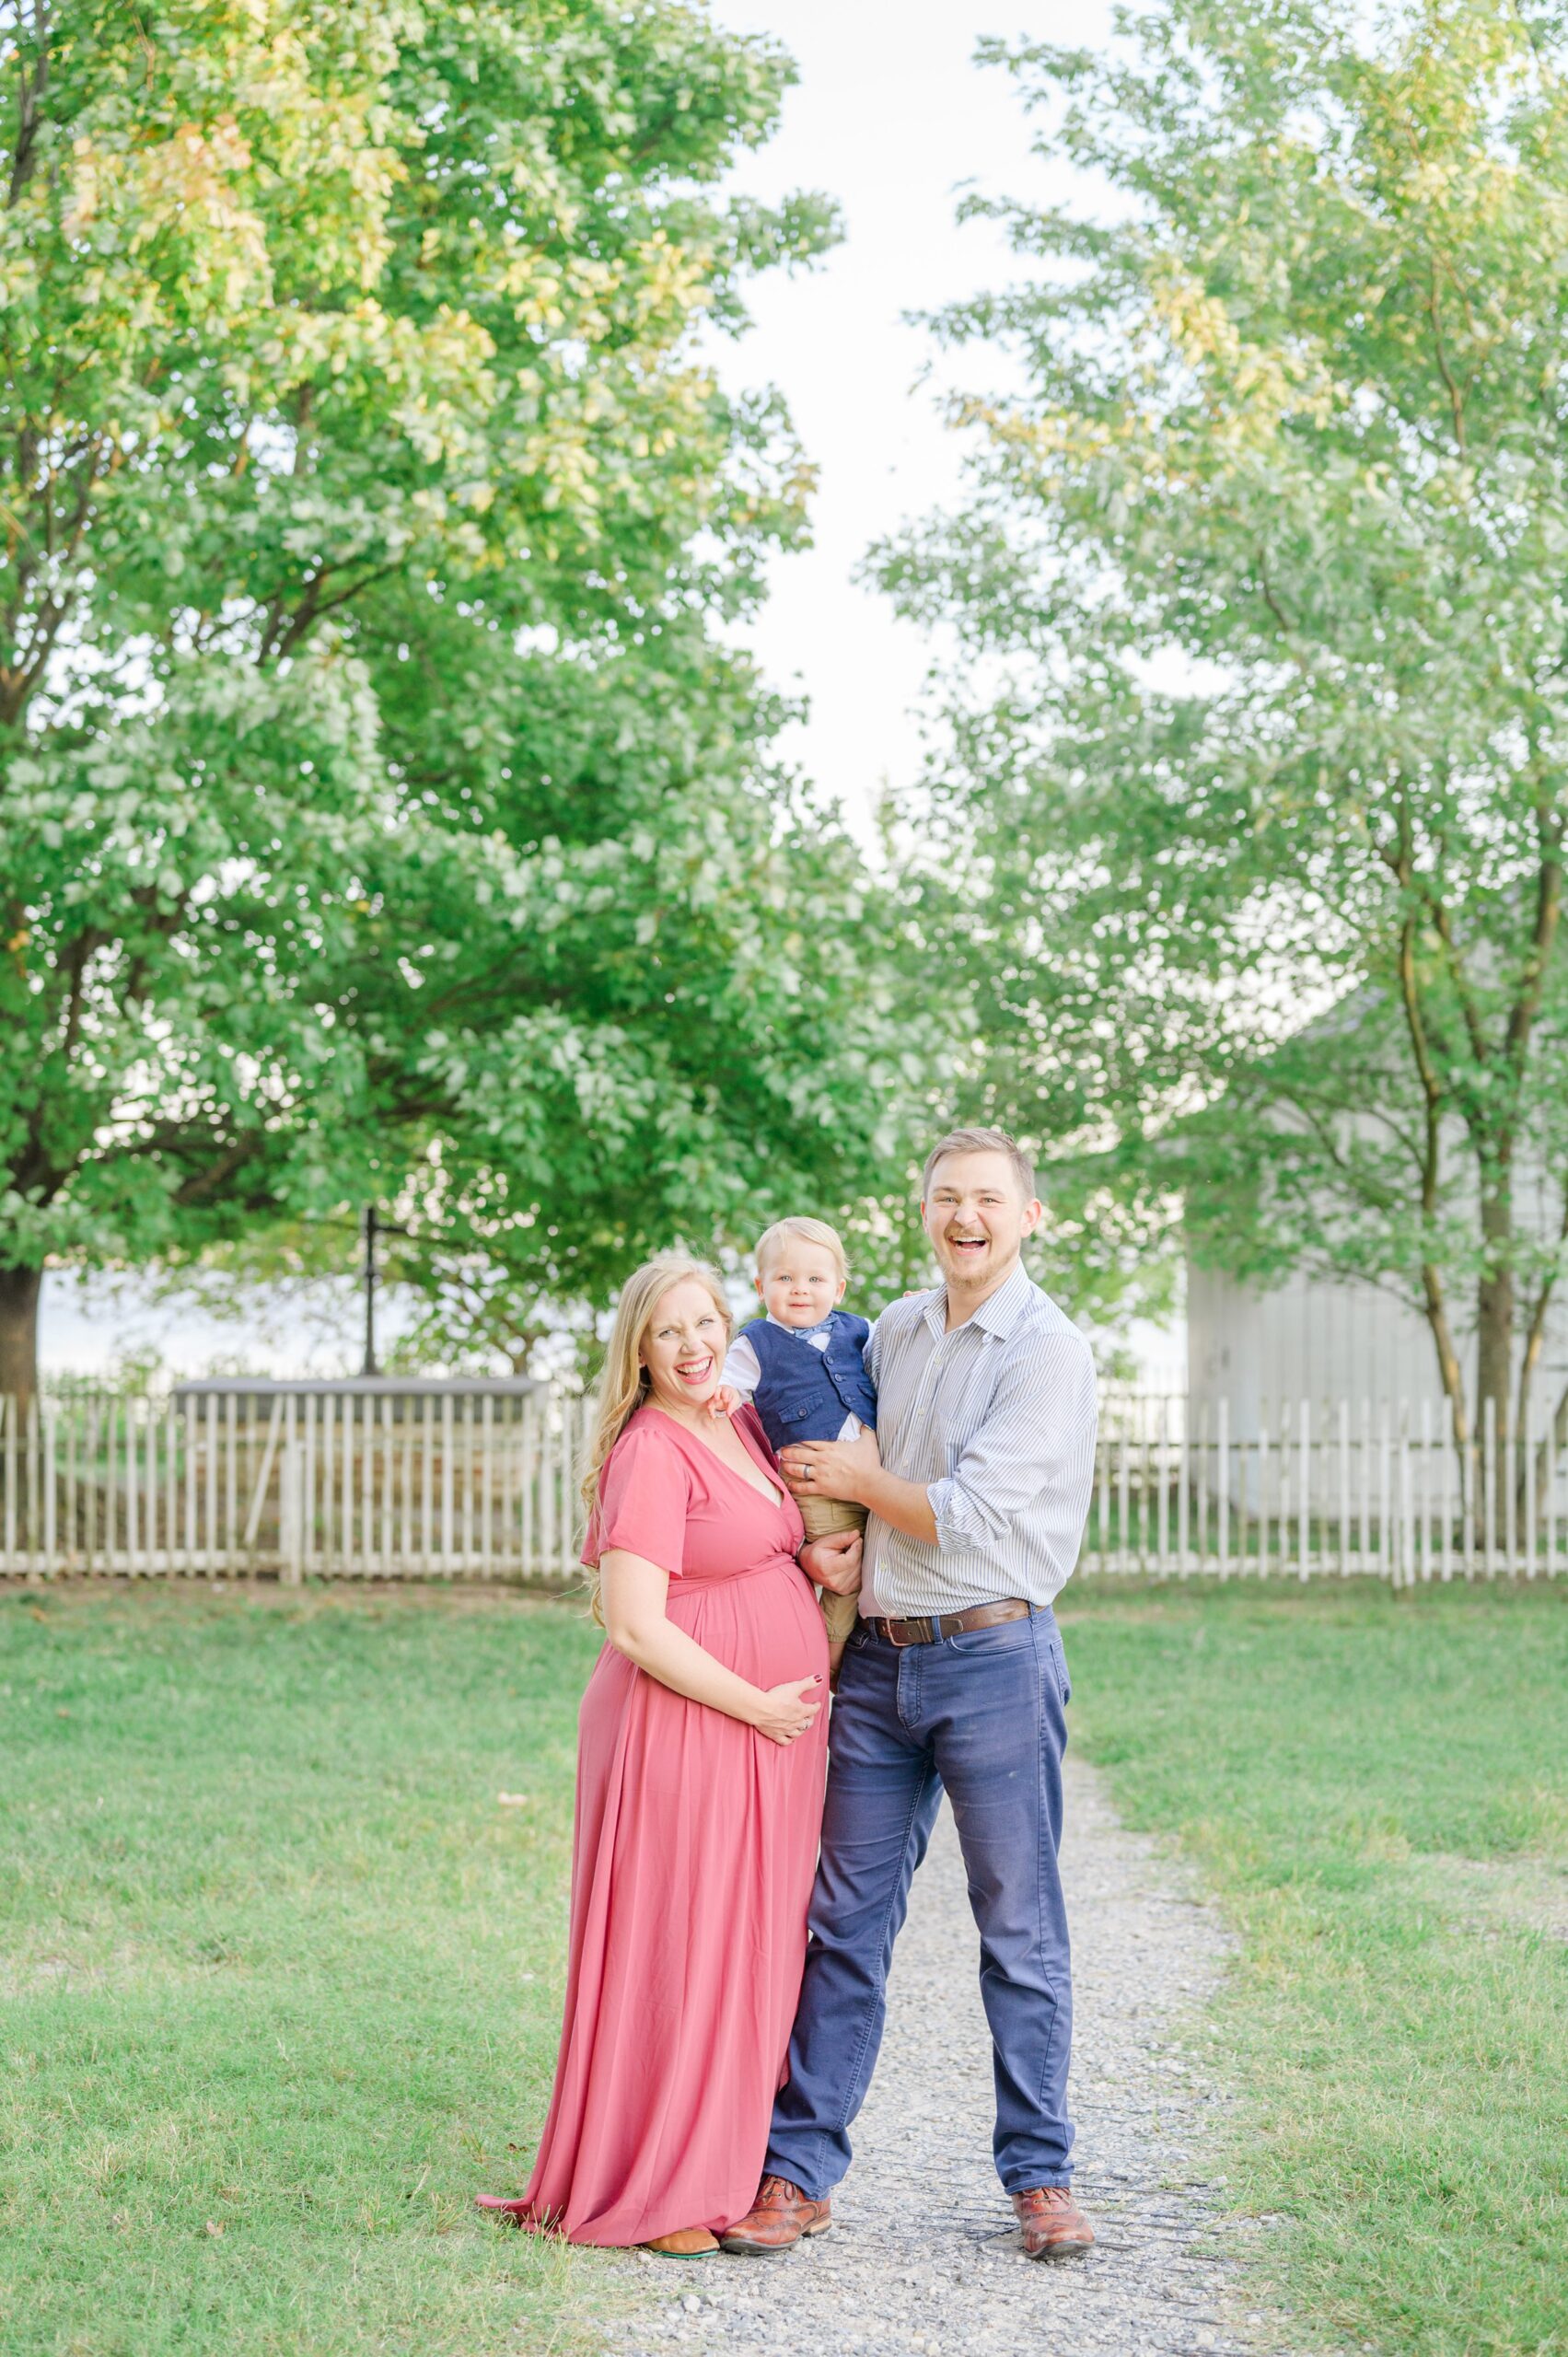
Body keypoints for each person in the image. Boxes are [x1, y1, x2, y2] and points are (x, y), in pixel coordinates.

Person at [720, 1127, 1101, 2265]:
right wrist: (826, 1540)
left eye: (987, 1199)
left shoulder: (1046, 1349)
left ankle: (1039, 2176)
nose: (964, 1216)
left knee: (1017, 1923)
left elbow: (970, 1513)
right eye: (946, 1198)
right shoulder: (888, 1326)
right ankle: (798, 2171)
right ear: (924, 1209)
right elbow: (820, 1440)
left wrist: (854, 1487)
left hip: (994, 1656)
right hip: (876, 1663)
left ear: (1028, 1215)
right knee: (841, 1920)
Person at [475, 1255, 858, 2258]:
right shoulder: (650, 1450)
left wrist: (806, 1561)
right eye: (669, 1332)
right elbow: (633, 1624)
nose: (692, 1345)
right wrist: (757, 1706)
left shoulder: (732, 1418)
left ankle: (717, 2164)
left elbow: (753, 1539)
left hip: (764, 1732)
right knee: (679, 1944)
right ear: (637, 1353)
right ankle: (658, 2185)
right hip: (689, 1724)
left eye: (706, 1322)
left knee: (746, 1946)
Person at [720, 1216, 876, 1681]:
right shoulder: (756, 1343)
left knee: (874, 1563)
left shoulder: (860, 1330)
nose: (800, 1289)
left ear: (839, 1288)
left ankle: (843, 1649)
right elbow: (731, 1384)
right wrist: (726, 1394)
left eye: (815, 1279)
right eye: (785, 1278)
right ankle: (827, 1659)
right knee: (843, 1568)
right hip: (815, 1488)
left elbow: (898, 1353)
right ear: (760, 1285)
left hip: (871, 1477)